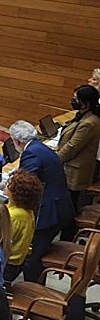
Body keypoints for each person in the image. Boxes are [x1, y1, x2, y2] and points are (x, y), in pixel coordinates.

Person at [9, 120, 73, 284]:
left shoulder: (31, 153)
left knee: (31, 256)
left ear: (17, 141)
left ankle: (33, 295)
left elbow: (25, 186)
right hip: (60, 206)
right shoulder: (39, 148)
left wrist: (7, 185)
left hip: (49, 212)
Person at [54, 84, 100, 227]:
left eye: (76, 99)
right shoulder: (83, 116)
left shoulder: (90, 122)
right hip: (72, 167)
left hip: (76, 171)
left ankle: (67, 235)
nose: (73, 101)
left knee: (70, 206)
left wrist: (53, 160)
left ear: (85, 103)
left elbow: (72, 147)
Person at [3, 169, 42, 286]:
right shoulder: (25, 209)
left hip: (6, 266)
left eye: (9, 184)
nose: (5, 185)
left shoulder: (15, 215)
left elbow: (0, 241)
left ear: (17, 192)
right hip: (15, 262)